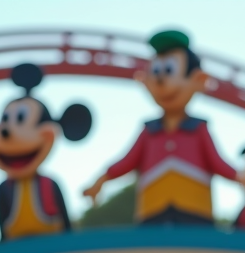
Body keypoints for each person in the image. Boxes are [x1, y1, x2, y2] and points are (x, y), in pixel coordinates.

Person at [82, 30, 237, 225]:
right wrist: (102, 180)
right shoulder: (149, 131)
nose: (161, 80)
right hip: (152, 213)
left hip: (196, 214)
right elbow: (127, 160)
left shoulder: (198, 129)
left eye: (170, 71)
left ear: (199, 80)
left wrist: (244, 180)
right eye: (155, 73)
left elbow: (218, 163)